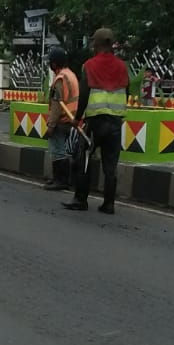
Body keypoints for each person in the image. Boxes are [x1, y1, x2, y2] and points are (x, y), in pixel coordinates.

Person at [64, 28, 131, 215]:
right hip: (115, 123)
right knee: (110, 165)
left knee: (83, 159)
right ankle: (109, 204)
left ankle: (80, 199)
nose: (92, 45)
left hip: (95, 122)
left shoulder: (89, 65)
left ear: (98, 44)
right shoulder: (122, 66)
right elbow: (127, 92)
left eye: (93, 42)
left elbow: (84, 94)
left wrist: (77, 119)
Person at [43, 47, 79, 191]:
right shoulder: (71, 75)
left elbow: (57, 105)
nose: (50, 65)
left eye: (50, 62)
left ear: (55, 64)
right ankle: (58, 178)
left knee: (58, 150)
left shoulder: (60, 78)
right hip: (71, 118)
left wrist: (51, 125)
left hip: (62, 120)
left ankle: (61, 180)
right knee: (61, 149)